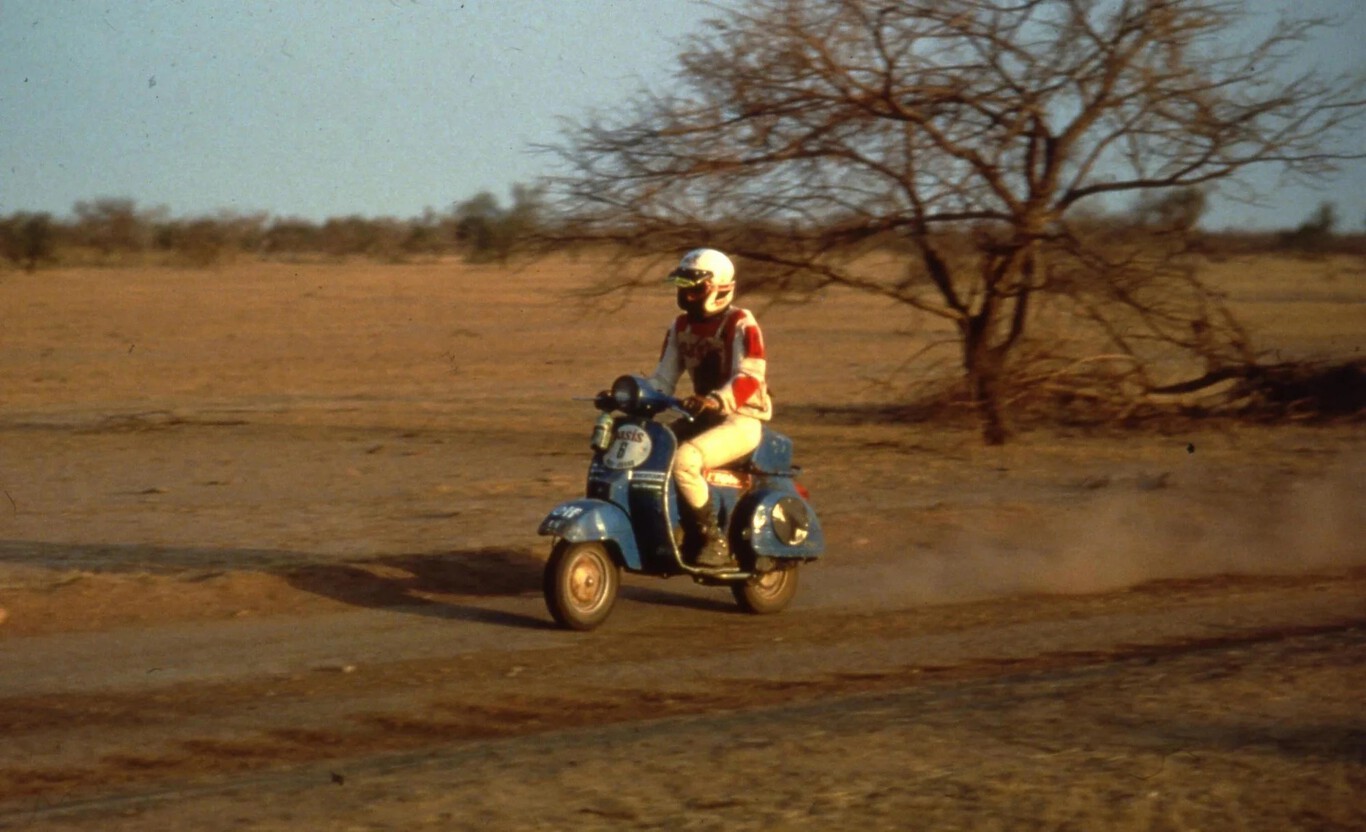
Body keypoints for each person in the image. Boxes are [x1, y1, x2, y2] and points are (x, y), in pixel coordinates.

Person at [647, 248, 771, 569]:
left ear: (719, 289)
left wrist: (716, 400)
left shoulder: (741, 323)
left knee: (685, 459)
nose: (686, 295)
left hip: (741, 419)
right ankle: (666, 528)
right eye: (682, 287)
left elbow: (750, 376)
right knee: (651, 450)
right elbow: (663, 377)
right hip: (703, 416)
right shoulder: (679, 327)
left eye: (694, 288)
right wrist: (634, 396)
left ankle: (710, 539)